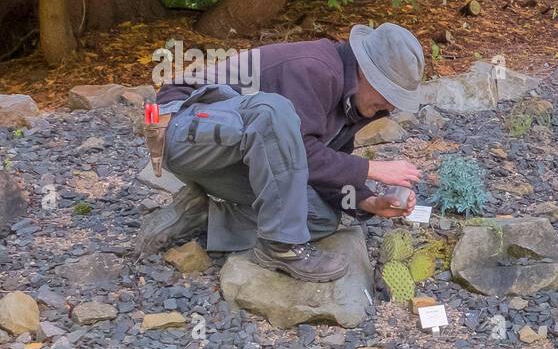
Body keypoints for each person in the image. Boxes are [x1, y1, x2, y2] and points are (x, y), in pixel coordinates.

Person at [136, 23, 424, 281]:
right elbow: (301, 149)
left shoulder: (355, 102)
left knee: (319, 217)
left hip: (241, 152)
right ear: (364, 70)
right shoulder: (316, 68)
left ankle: (203, 216)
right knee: (273, 113)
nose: (390, 106)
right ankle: (282, 248)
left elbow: (323, 168)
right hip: (182, 130)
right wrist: (370, 169)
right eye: (389, 92)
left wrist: (368, 201)